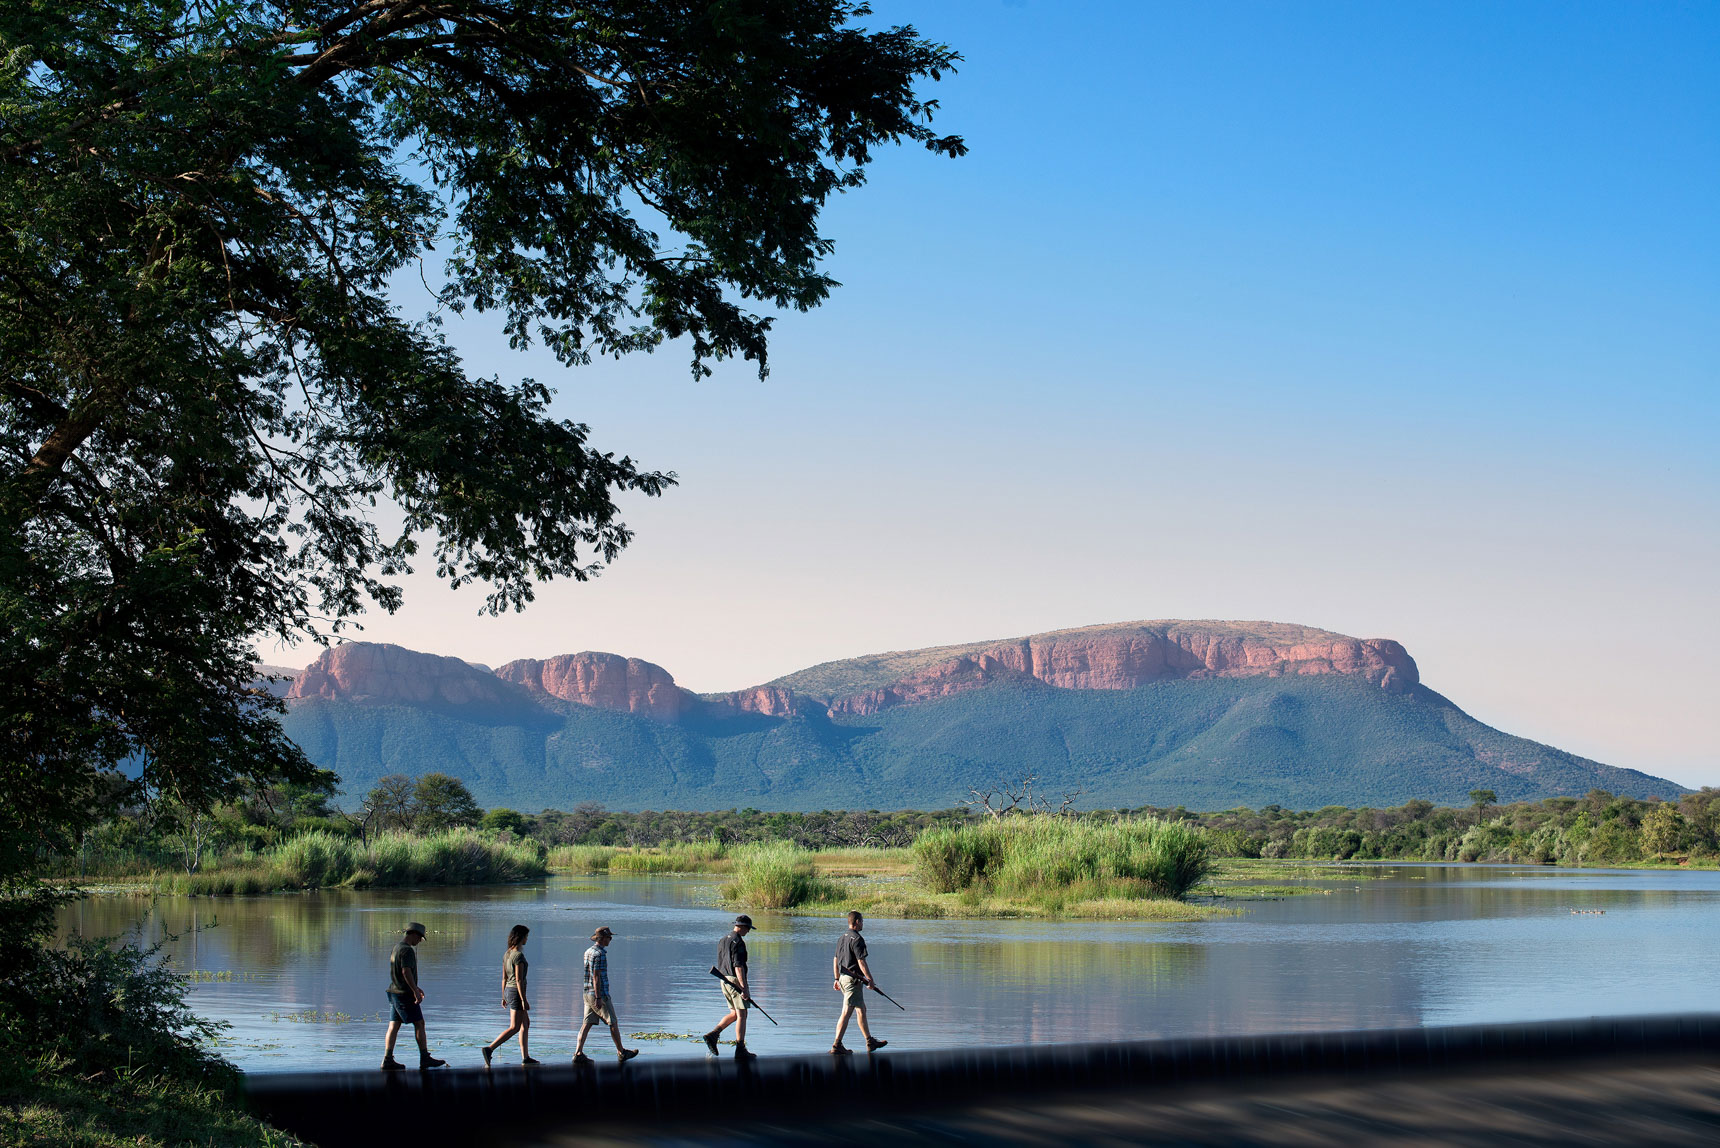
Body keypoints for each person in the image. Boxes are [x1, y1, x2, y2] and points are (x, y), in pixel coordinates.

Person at [381, 922, 445, 1070]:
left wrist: (416, 986)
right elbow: (405, 971)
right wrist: (414, 991)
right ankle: (424, 1058)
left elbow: (400, 973)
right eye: (420, 937)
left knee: (394, 1026)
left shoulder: (397, 947)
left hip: (393, 991)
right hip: (404, 994)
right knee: (419, 1023)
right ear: (414, 934)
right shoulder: (407, 950)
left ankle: (388, 1059)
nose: (419, 941)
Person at [573, 926, 638, 1065]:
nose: (611, 939)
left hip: (586, 992)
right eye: (609, 937)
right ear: (602, 939)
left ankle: (578, 1053)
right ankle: (621, 1052)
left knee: (587, 1023)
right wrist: (598, 997)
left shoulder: (588, 951)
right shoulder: (599, 954)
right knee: (612, 1021)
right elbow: (596, 977)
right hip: (599, 994)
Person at [830, 910, 887, 1054]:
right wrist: (870, 980)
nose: (863, 923)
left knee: (861, 1009)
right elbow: (861, 962)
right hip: (852, 982)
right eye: (861, 921)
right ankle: (837, 1045)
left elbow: (836, 960)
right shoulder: (858, 939)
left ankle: (870, 1042)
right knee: (846, 1012)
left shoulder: (842, 938)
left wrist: (836, 979)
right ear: (856, 922)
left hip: (843, 979)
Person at [481, 924, 538, 1066]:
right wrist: (524, 1000)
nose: (527, 939)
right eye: (526, 936)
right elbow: (518, 979)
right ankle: (490, 1049)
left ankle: (526, 1057)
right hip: (516, 992)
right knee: (515, 1027)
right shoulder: (518, 956)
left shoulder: (507, 953)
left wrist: (503, 996)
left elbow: (504, 978)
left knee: (526, 1023)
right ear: (521, 937)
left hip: (509, 990)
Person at [703, 915, 757, 1061]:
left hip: (723, 980)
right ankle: (740, 1049)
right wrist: (744, 988)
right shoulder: (738, 942)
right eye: (748, 929)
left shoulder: (723, 940)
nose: (748, 932)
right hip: (734, 980)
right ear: (743, 927)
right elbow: (738, 966)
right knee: (742, 1015)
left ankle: (713, 1035)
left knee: (734, 1013)